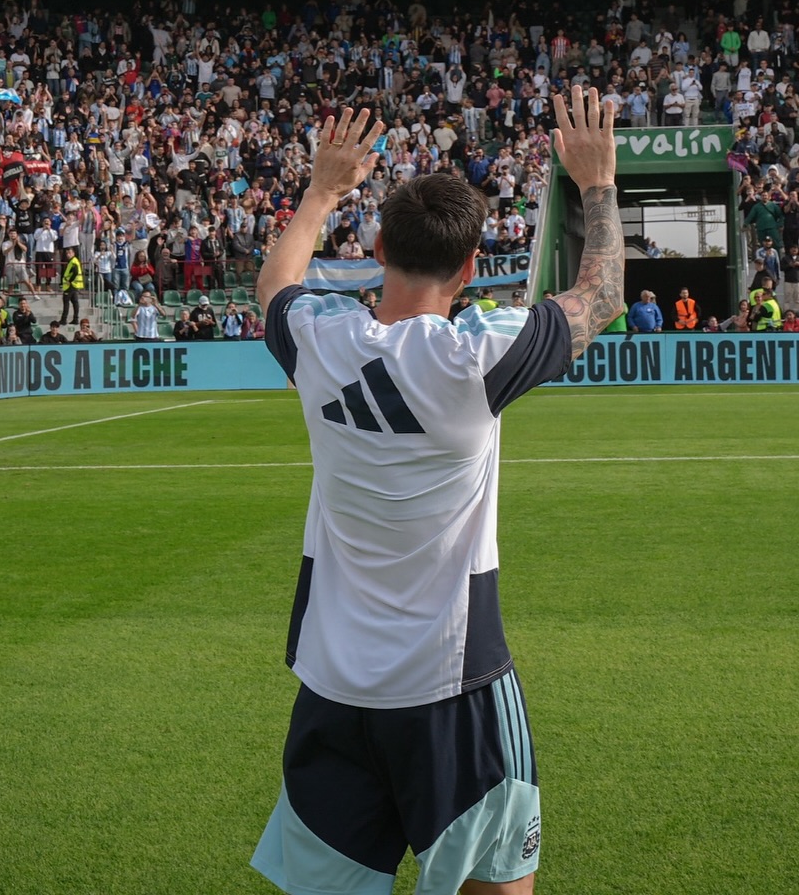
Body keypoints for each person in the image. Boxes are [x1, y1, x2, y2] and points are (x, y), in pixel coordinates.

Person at [251, 94, 623, 895]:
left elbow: (276, 282)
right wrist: (597, 183)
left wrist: (322, 191)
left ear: (379, 246)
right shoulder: (480, 355)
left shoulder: (320, 338)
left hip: (332, 688)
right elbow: (603, 295)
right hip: (455, 689)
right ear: (471, 267)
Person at [61, 247, 85, 325]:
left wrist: (69, 281)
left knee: (66, 301)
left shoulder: (73, 262)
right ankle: (75, 319)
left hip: (71, 285)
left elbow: (75, 272)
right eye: (67, 253)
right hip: (75, 285)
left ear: (73, 253)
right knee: (75, 302)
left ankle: (64, 319)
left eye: (70, 253)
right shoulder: (73, 261)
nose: (68, 255)